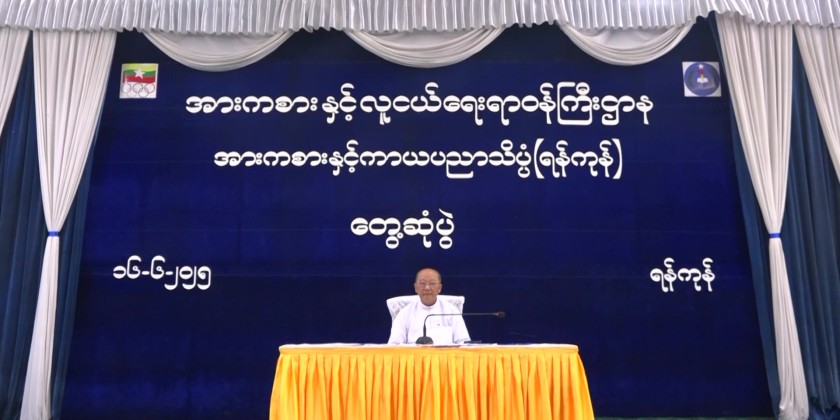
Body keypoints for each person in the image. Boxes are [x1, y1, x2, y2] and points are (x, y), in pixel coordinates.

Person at [388, 267, 470, 345]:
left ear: (440, 287)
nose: (427, 288)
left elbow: (464, 343)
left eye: (432, 283)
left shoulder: (451, 311)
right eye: (422, 283)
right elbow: (394, 345)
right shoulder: (405, 313)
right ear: (415, 287)